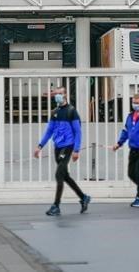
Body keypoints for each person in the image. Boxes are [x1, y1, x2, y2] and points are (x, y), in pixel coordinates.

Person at [33, 88, 90, 216]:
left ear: (65, 95)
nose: (57, 96)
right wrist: (40, 145)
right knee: (65, 176)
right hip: (57, 146)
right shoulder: (55, 112)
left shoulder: (72, 111)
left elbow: (78, 132)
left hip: (68, 146)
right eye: (56, 94)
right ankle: (84, 197)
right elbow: (49, 131)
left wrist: (76, 150)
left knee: (59, 175)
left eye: (60, 93)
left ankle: (56, 206)